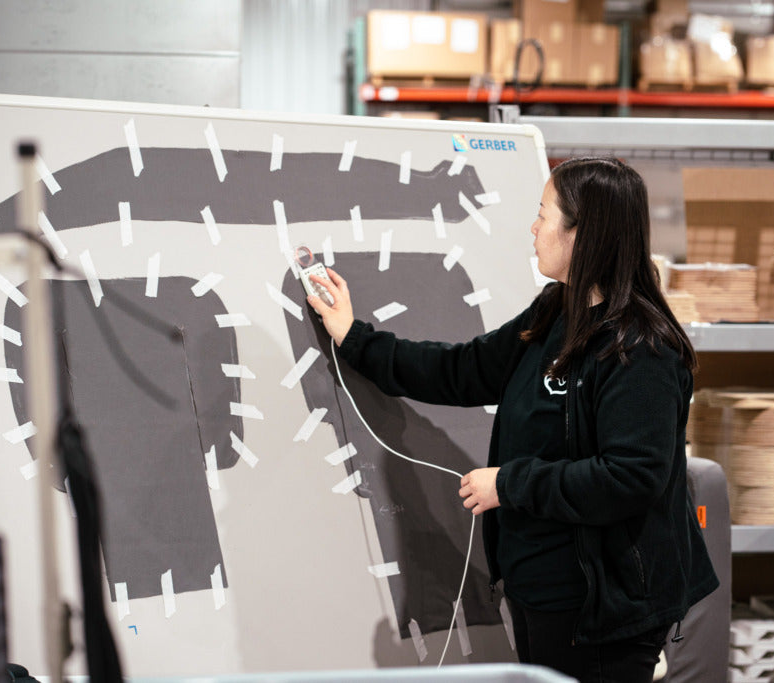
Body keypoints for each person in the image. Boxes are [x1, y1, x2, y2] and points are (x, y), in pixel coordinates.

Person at [306, 156, 718, 683]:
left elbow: (630, 477)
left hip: (602, 610)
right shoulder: (556, 311)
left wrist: (509, 482)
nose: (534, 227)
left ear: (581, 234)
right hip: (542, 591)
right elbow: (461, 369)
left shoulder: (641, 350)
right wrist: (353, 336)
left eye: (544, 215)